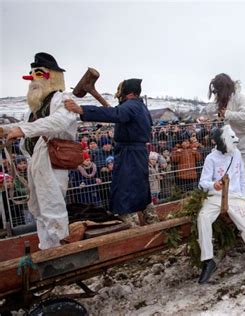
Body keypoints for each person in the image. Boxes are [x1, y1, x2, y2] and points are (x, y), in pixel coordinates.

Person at [1, 52, 78, 249]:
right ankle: (46, 248)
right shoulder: (33, 108)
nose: (33, 79)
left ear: (51, 76)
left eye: (39, 74)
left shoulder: (62, 99)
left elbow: (58, 122)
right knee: (38, 209)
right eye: (32, 75)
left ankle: (60, 251)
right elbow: (26, 124)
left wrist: (22, 130)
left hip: (52, 160)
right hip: (36, 161)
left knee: (53, 207)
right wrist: (8, 129)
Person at [64, 78, 153, 220]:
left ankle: (130, 226)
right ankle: (150, 219)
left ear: (128, 93)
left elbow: (115, 114)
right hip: (136, 153)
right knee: (138, 186)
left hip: (129, 154)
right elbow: (118, 115)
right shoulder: (140, 106)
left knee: (125, 189)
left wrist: (82, 110)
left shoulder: (131, 106)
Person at [197, 125, 245, 285]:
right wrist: (214, 185)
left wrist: (243, 197)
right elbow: (202, 183)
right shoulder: (211, 159)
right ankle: (208, 261)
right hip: (216, 196)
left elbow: (241, 177)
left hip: (235, 197)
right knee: (203, 218)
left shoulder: (237, 154)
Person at [207, 73, 245, 187]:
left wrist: (228, 114)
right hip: (231, 136)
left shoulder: (241, 98)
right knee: (224, 161)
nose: (217, 94)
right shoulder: (223, 100)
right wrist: (217, 111)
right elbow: (210, 109)